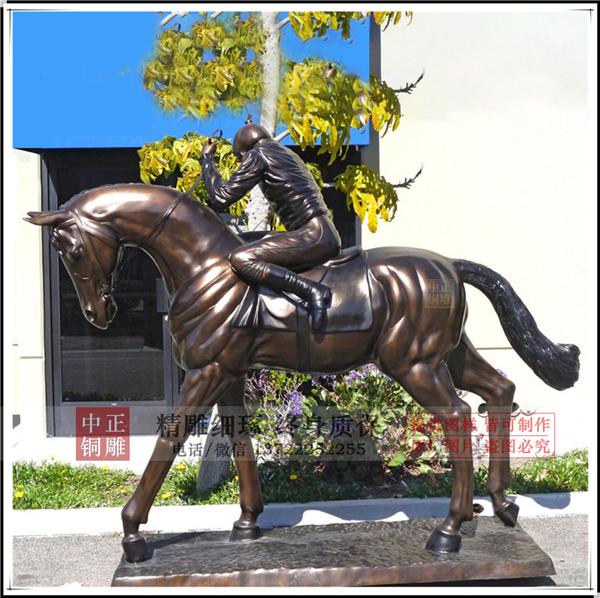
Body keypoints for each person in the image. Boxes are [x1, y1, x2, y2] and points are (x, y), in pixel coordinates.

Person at [201, 123, 341, 331]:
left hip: (313, 235)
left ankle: (312, 291)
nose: (239, 163)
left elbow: (221, 198)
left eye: (238, 157)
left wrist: (207, 159)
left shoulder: (258, 154)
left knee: (241, 258)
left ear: (244, 151)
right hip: (318, 231)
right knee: (239, 242)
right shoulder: (284, 152)